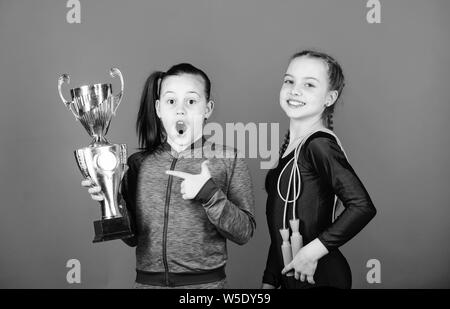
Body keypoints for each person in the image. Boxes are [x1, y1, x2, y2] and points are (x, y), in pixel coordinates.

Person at [82, 63, 256, 288]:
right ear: (158, 108)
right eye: (171, 101)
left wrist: (210, 194)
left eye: (191, 101)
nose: (180, 110)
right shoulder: (138, 164)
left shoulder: (228, 159)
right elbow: (132, 238)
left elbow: (244, 233)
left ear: (208, 108)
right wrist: (113, 199)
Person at [262, 50, 376, 289]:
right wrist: (270, 281)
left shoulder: (319, 144)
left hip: (320, 276)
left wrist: (310, 253)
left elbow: (362, 206)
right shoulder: (289, 150)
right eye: (289, 81)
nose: (295, 90)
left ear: (330, 97)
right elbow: (280, 227)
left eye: (309, 84)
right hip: (290, 277)